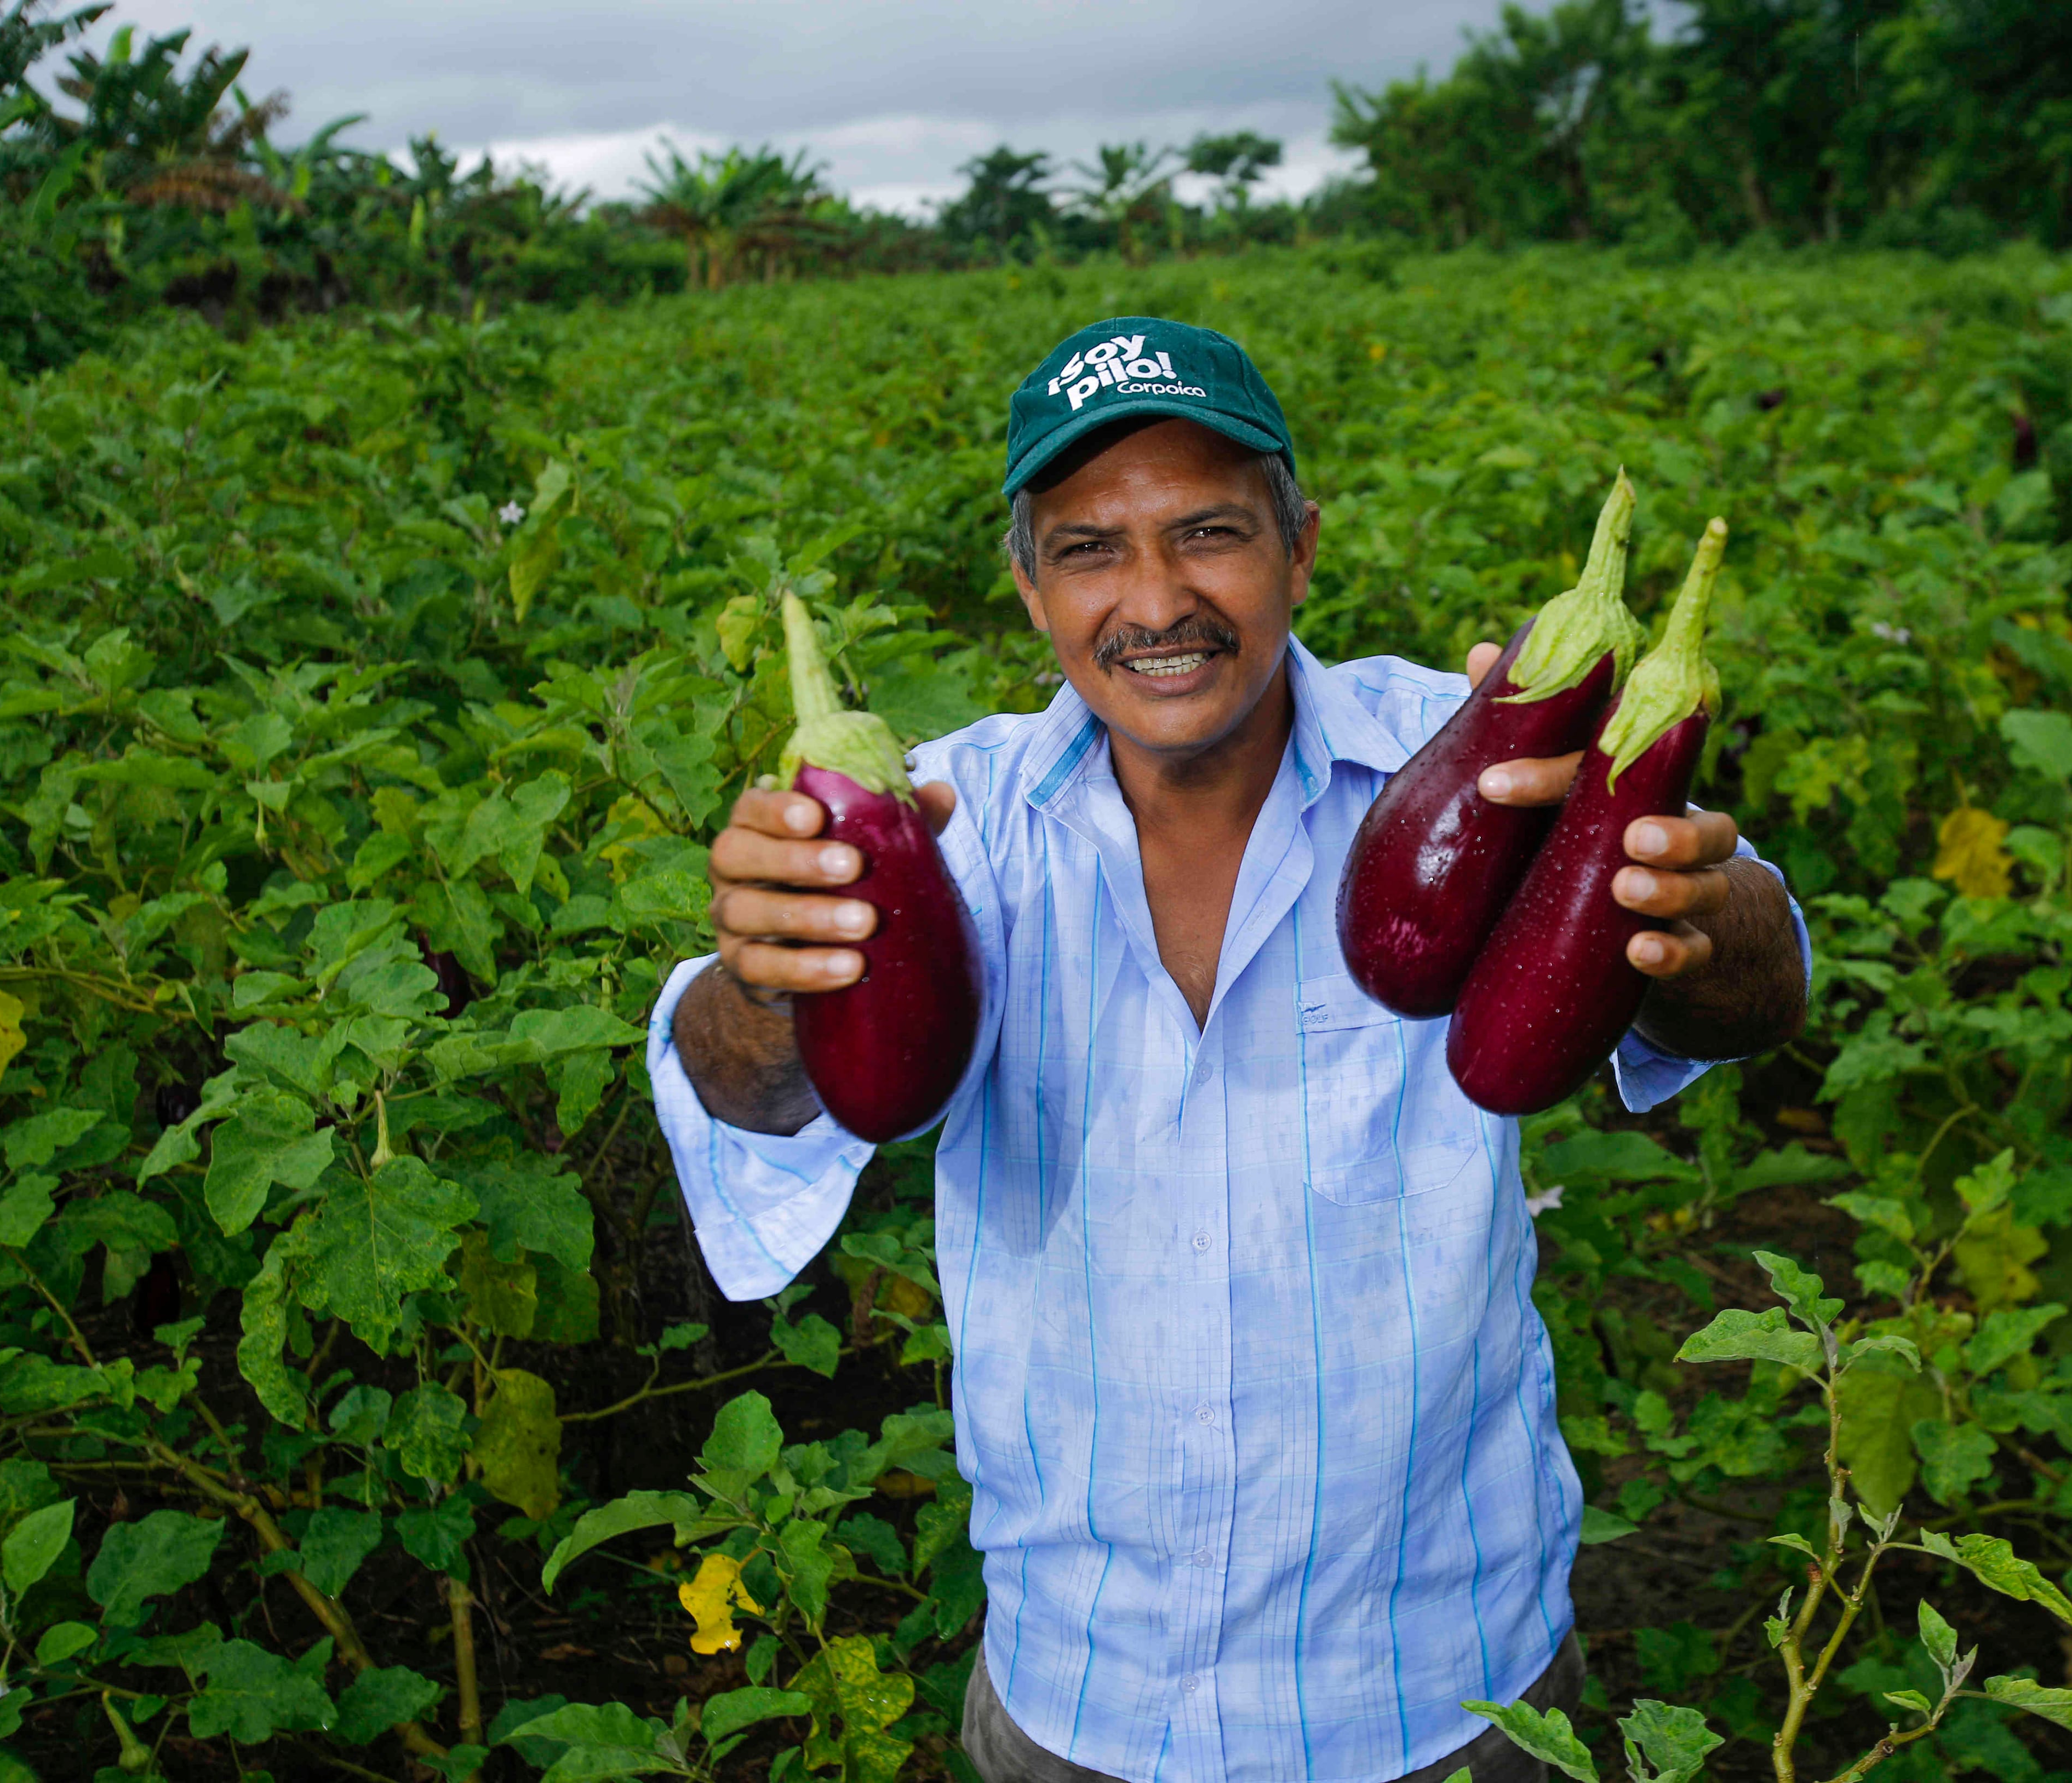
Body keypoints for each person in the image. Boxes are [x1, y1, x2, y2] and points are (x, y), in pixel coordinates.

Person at [646, 316, 1811, 1783]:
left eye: (1210, 533)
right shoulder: (939, 822)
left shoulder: (1487, 769)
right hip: (1087, 1692)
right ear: (1027, 588)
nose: (1157, 600)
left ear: (1300, 549)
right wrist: (770, 969)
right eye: (1089, 548)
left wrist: (1677, 905)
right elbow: (745, 1095)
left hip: (1451, 1690)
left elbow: (1758, 984)